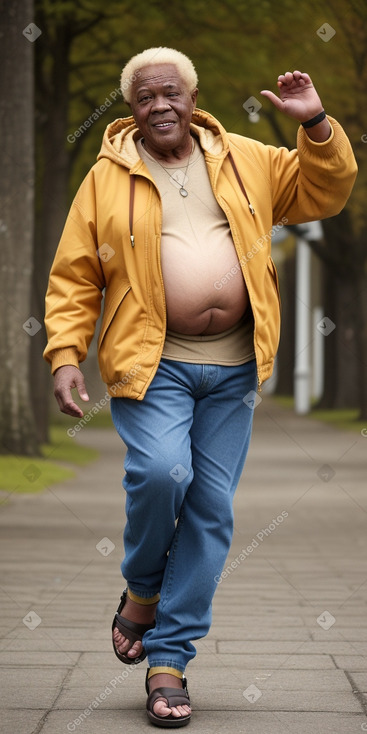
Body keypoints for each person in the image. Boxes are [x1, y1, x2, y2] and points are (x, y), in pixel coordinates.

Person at [44, 47, 357, 727]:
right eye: (143, 98)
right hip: (149, 362)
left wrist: (316, 126)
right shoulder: (104, 178)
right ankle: (141, 590)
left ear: (192, 97)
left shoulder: (248, 158)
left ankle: (167, 660)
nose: (158, 106)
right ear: (131, 110)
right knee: (161, 474)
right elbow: (74, 277)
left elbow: (325, 191)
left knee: (210, 507)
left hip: (234, 368)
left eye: (169, 93)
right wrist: (66, 353)